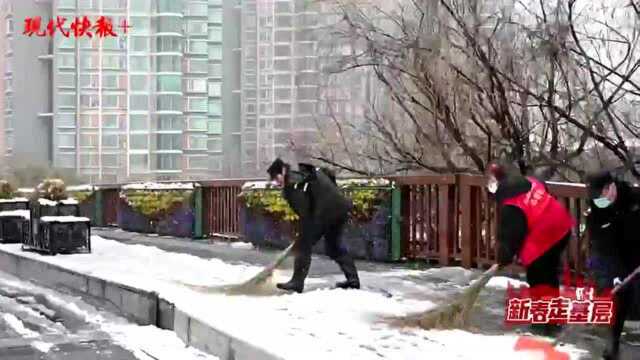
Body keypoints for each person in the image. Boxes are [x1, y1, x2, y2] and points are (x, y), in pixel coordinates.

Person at [487, 163, 574, 336]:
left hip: (543, 236)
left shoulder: (510, 204)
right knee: (549, 276)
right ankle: (553, 320)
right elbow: (544, 189)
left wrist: (503, 258)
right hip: (562, 225)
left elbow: (512, 235)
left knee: (538, 277)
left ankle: (542, 323)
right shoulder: (530, 181)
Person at [266, 158, 360, 293]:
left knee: (303, 246)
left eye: (276, 178)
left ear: (282, 171)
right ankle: (353, 280)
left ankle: (297, 282)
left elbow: (305, 213)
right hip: (340, 208)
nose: (276, 182)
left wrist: (303, 236)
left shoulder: (293, 184)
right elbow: (330, 178)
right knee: (334, 247)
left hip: (325, 212)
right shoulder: (303, 175)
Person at [585, 170, 640, 360]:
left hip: (636, 256)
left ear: (611, 188)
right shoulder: (596, 210)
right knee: (616, 303)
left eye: (601, 194)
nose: (599, 199)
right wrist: (615, 273)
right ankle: (612, 346)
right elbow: (602, 245)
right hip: (613, 260)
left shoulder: (633, 199)